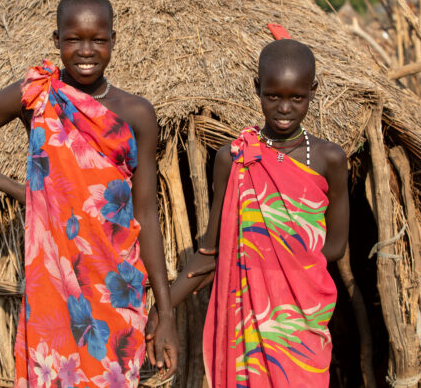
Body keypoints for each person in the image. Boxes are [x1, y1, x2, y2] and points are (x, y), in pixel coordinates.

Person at [0, 0, 178, 387]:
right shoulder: (37, 96)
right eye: (73, 39)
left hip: (117, 283)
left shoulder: (137, 113)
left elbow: (145, 213)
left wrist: (165, 314)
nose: (86, 50)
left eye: (98, 39)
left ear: (113, 41)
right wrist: (21, 190)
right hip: (55, 281)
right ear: (56, 41)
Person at [147, 38, 349, 387]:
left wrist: (281, 264)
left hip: (301, 324)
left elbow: (335, 247)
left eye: (296, 98)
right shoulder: (234, 159)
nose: (284, 108)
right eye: (273, 96)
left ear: (313, 91)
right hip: (246, 326)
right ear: (257, 88)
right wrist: (161, 312)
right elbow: (210, 252)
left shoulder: (330, 159)